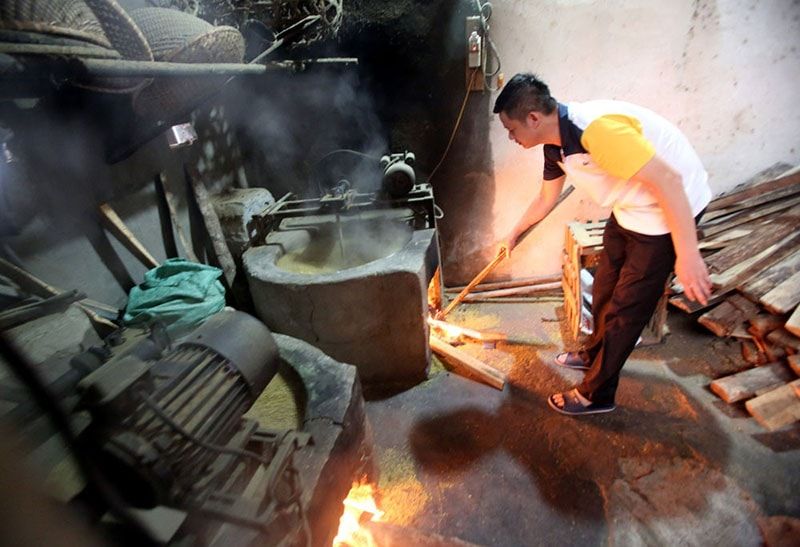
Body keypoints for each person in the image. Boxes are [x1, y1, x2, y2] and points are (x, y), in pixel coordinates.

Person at [493, 73, 712, 416]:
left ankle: (597, 394)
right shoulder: (556, 145)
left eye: (512, 129)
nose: (511, 137)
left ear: (533, 119)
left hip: (667, 211)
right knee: (605, 287)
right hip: (631, 208)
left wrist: (687, 252)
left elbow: (670, 181)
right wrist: (514, 233)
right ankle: (593, 354)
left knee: (627, 309)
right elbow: (545, 198)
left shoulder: (597, 132)